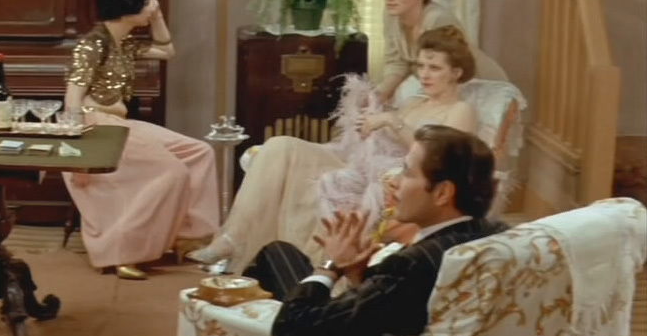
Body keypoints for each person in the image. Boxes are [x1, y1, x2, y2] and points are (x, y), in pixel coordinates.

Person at [187, 25, 479, 271]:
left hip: (391, 178)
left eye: (434, 68)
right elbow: (381, 136)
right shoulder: (415, 103)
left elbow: (439, 154)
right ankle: (231, 239)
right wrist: (365, 122)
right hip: (361, 163)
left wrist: (391, 121)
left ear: (456, 72)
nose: (424, 74)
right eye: (421, 67)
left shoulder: (461, 110)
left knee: (332, 181)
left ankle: (296, 263)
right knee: (279, 147)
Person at [240, 125, 508, 336]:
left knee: (264, 273)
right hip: (385, 320)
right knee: (279, 253)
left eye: (407, 172)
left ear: (442, 193)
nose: (395, 182)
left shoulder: (411, 265)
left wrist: (330, 266)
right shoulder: (494, 232)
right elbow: (390, 306)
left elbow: (290, 331)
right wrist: (358, 275)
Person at [64, 0, 220, 280]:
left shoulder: (125, 42)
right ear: (128, 9)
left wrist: (157, 16)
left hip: (119, 123)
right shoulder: (93, 44)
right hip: (96, 126)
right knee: (172, 171)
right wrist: (78, 145)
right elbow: (72, 99)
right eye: (146, 2)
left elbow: (167, 50)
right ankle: (124, 251)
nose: (152, 5)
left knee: (199, 152)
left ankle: (187, 238)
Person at [372, 0, 508, 105]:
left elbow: (448, 73)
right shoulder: (391, 15)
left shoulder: (437, 19)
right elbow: (396, 63)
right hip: (437, 85)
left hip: (476, 84)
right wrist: (379, 94)